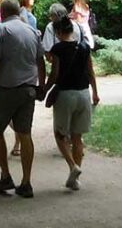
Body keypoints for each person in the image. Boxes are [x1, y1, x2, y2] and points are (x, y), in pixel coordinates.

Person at [0, 0, 45, 198]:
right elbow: (40, 61)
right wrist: (42, 86)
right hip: (28, 89)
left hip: (6, 89)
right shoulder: (32, 31)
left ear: (2, 13)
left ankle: (6, 175)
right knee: (25, 133)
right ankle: (26, 182)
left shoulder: (0, 31)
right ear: (18, 12)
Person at [46, 16, 100, 191]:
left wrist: (44, 89)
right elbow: (90, 72)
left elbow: (55, 74)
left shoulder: (58, 49)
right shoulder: (84, 47)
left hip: (65, 95)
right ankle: (74, 179)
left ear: (58, 32)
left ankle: (72, 166)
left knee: (60, 134)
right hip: (83, 94)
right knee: (77, 137)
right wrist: (95, 92)